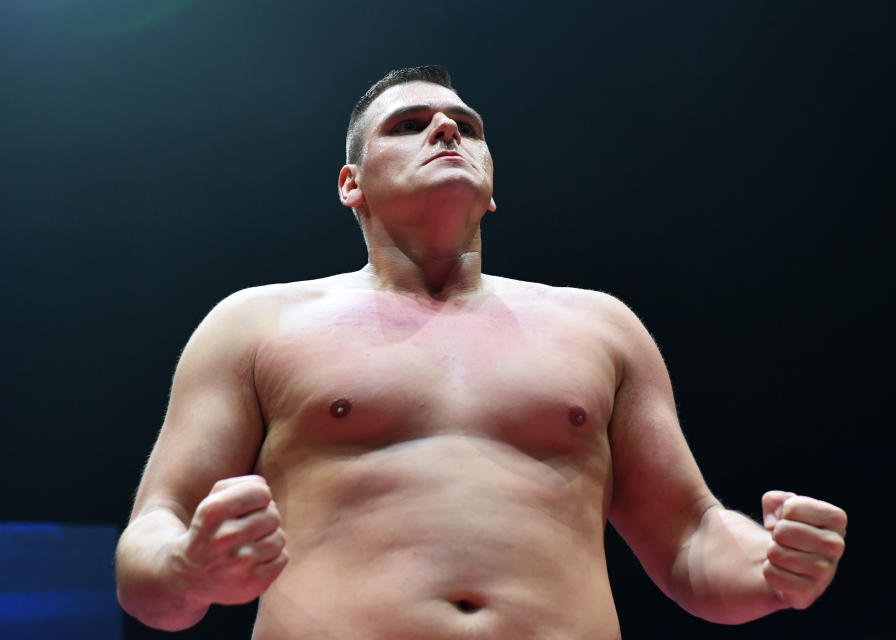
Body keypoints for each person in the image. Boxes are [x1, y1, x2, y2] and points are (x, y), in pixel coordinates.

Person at [115, 65, 847, 639]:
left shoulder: (600, 327)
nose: (444, 129)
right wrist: (189, 568)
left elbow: (690, 538)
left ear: (490, 186)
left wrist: (770, 568)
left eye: (465, 125)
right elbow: (148, 556)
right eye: (409, 124)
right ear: (350, 185)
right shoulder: (254, 324)